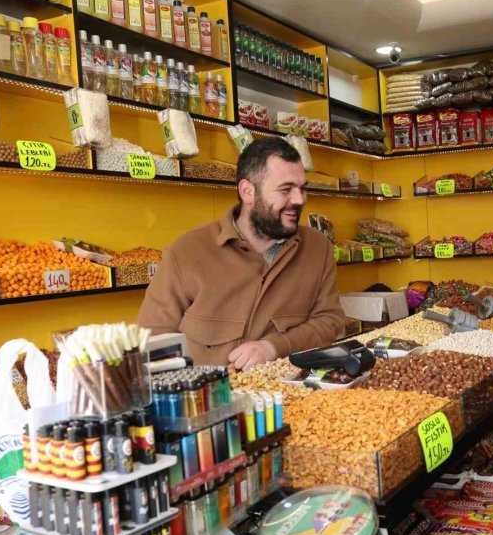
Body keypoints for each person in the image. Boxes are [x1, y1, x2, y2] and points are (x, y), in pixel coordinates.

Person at [138, 137, 345, 370]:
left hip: (287, 397)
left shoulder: (318, 248)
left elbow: (329, 320)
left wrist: (275, 346)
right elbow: (154, 341)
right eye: (286, 189)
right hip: (210, 400)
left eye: (302, 189)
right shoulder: (185, 253)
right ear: (248, 192)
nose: (299, 200)